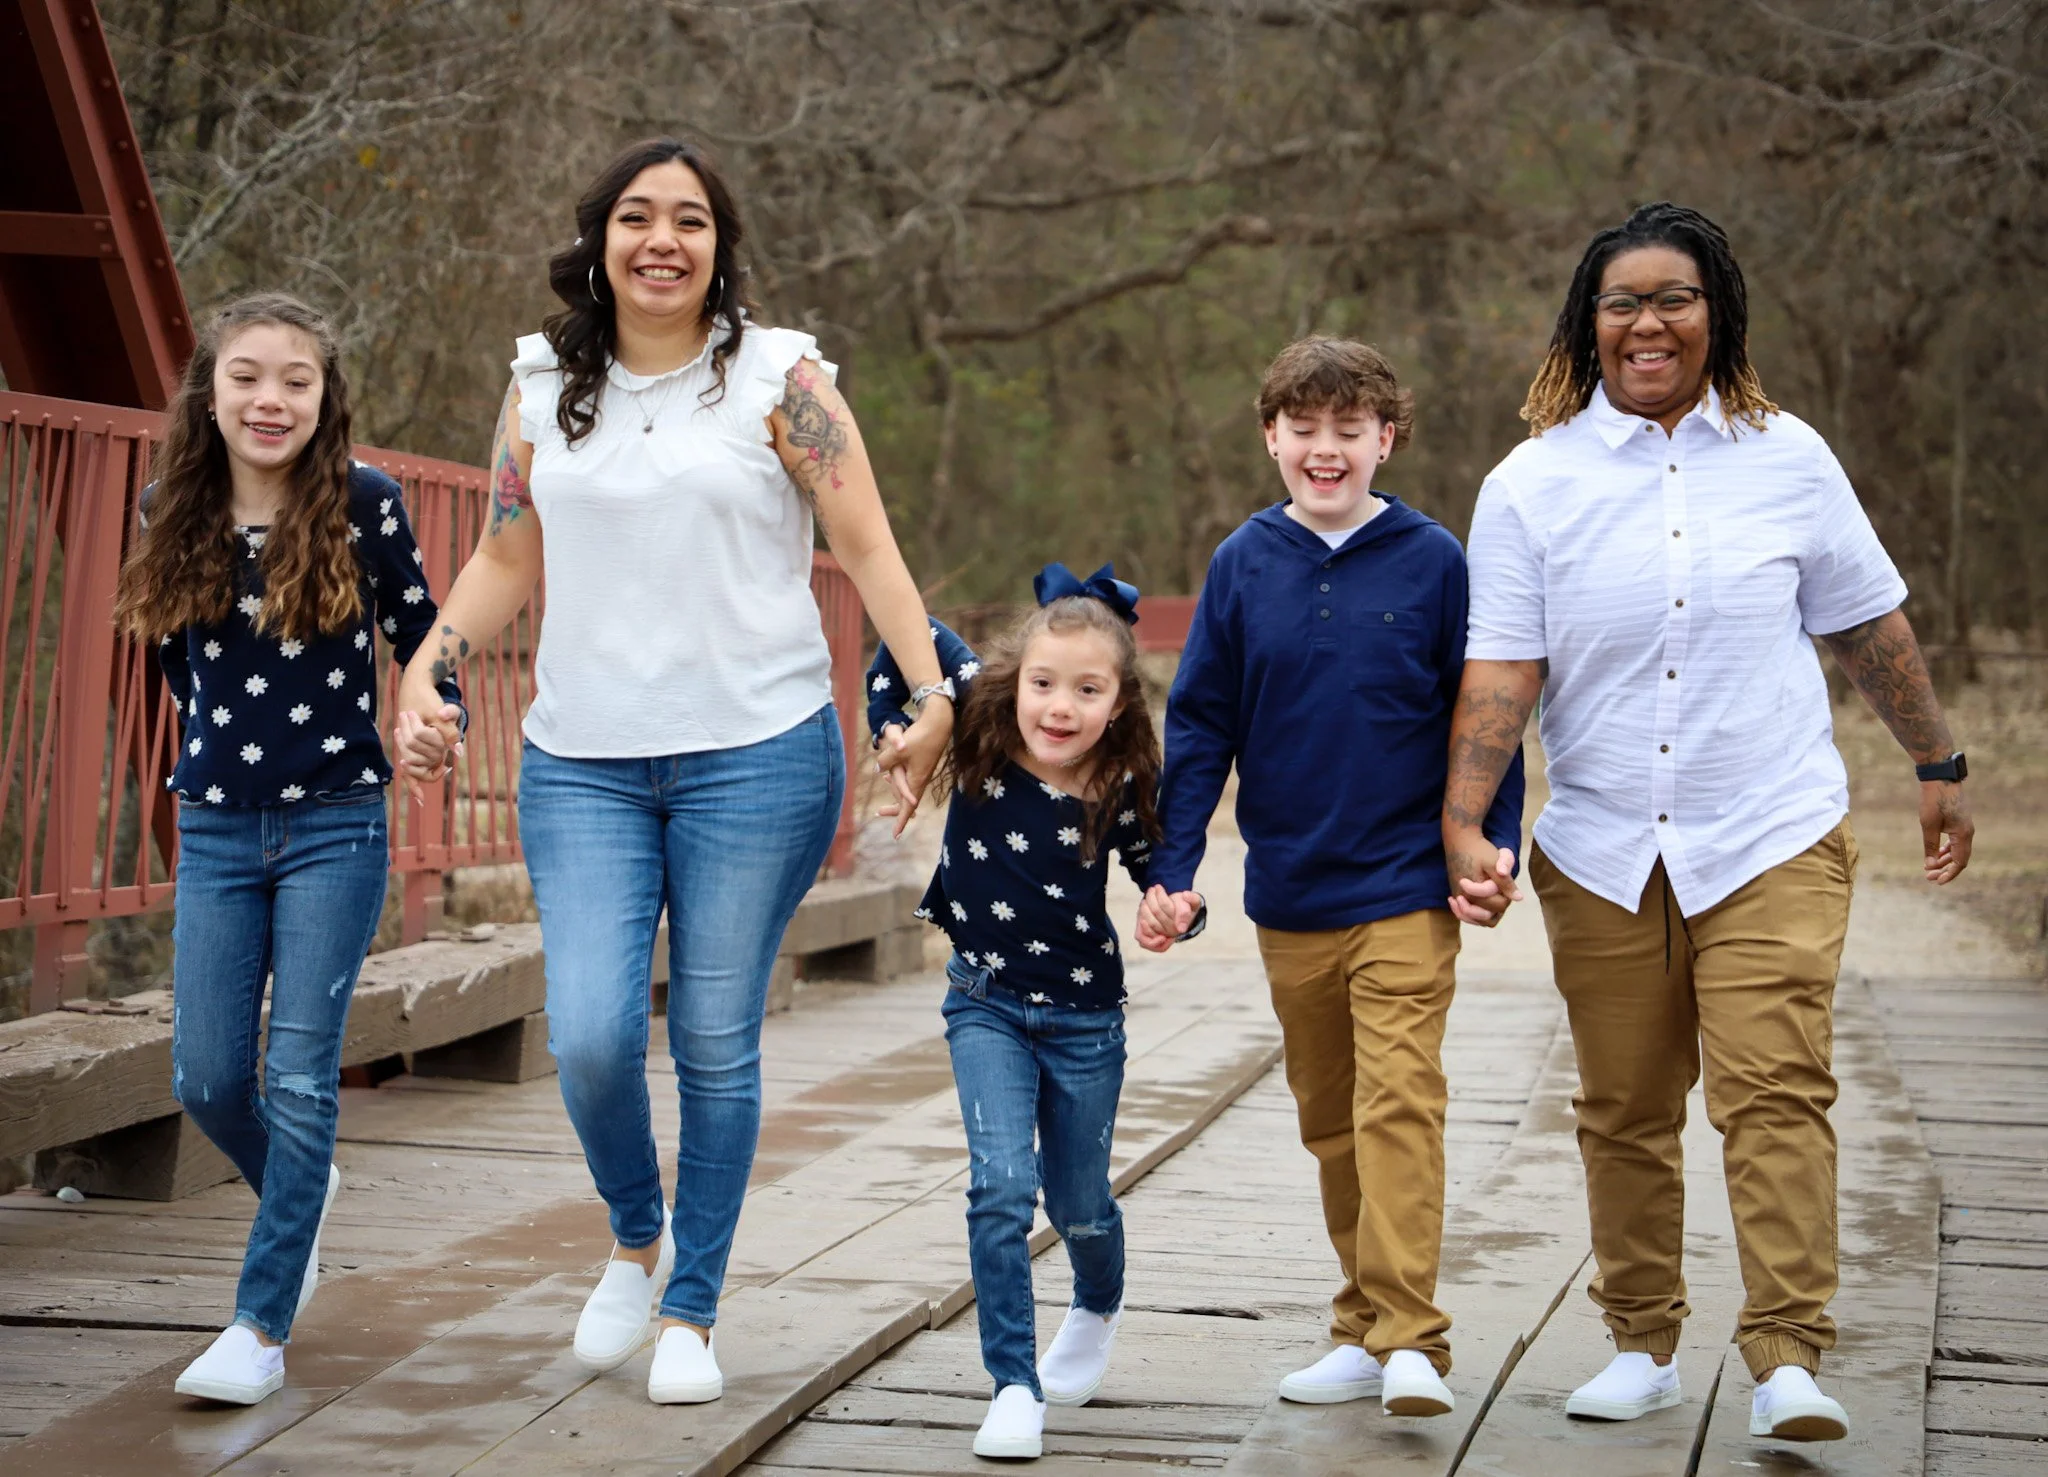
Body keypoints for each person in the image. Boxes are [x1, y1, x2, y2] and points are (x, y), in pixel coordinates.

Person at [395, 137, 952, 1406]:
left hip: (755, 752)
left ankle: (691, 1302)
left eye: (689, 220)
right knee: (590, 1034)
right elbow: (500, 553)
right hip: (581, 759)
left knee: (711, 1033)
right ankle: (632, 1232)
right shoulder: (540, 385)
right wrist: (424, 666)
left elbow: (866, 545)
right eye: (637, 217)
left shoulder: (779, 377)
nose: (662, 240)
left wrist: (930, 695)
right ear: (599, 240)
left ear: (719, 245)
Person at [1444, 202, 1973, 1444]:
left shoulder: (1789, 456)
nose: (1647, 322)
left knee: (1774, 1090)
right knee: (1621, 1103)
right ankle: (1641, 1341)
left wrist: (1935, 757)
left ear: (1715, 313)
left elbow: (1863, 624)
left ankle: (1787, 1353)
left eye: (1672, 298)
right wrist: (1463, 819)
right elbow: (1502, 670)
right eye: (1620, 301)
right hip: (1605, 843)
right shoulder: (1530, 482)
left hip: (1768, 829)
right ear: (1587, 322)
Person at [1140, 338, 1523, 1418]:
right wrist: (1172, 867)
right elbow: (1201, 721)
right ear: (1270, 436)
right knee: (1331, 1118)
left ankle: (1410, 1337)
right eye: (1302, 429)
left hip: (1404, 884)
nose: (1324, 450)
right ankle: (1361, 1325)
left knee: (1400, 1100)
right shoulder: (1241, 563)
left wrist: (1490, 840)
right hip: (1290, 891)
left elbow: (1485, 710)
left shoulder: (1433, 560)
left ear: (1383, 438)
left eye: (1347, 430)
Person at [112, 293, 460, 1406]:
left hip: (335, 821)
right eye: (248, 376)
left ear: (326, 395)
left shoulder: (366, 503)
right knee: (208, 1074)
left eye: (296, 380)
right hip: (214, 826)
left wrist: (427, 714)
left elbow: (425, 636)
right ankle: (298, 1201)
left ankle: (260, 1327)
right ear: (208, 390)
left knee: (302, 1073)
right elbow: (180, 673)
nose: (271, 399)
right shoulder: (171, 505)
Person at [869, 563, 1178, 1461]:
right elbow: (904, 632)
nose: (1060, 706)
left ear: (1117, 702)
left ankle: (1098, 1297)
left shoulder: (1120, 777)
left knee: (1080, 1201)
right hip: (986, 1005)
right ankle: (1012, 1382)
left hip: (1086, 1021)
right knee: (1000, 1186)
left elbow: (1155, 863)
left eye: (1087, 690)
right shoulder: (978, 715)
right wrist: (909, 722)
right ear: (1018, 676)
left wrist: (1168, 903)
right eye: (1044, 682)